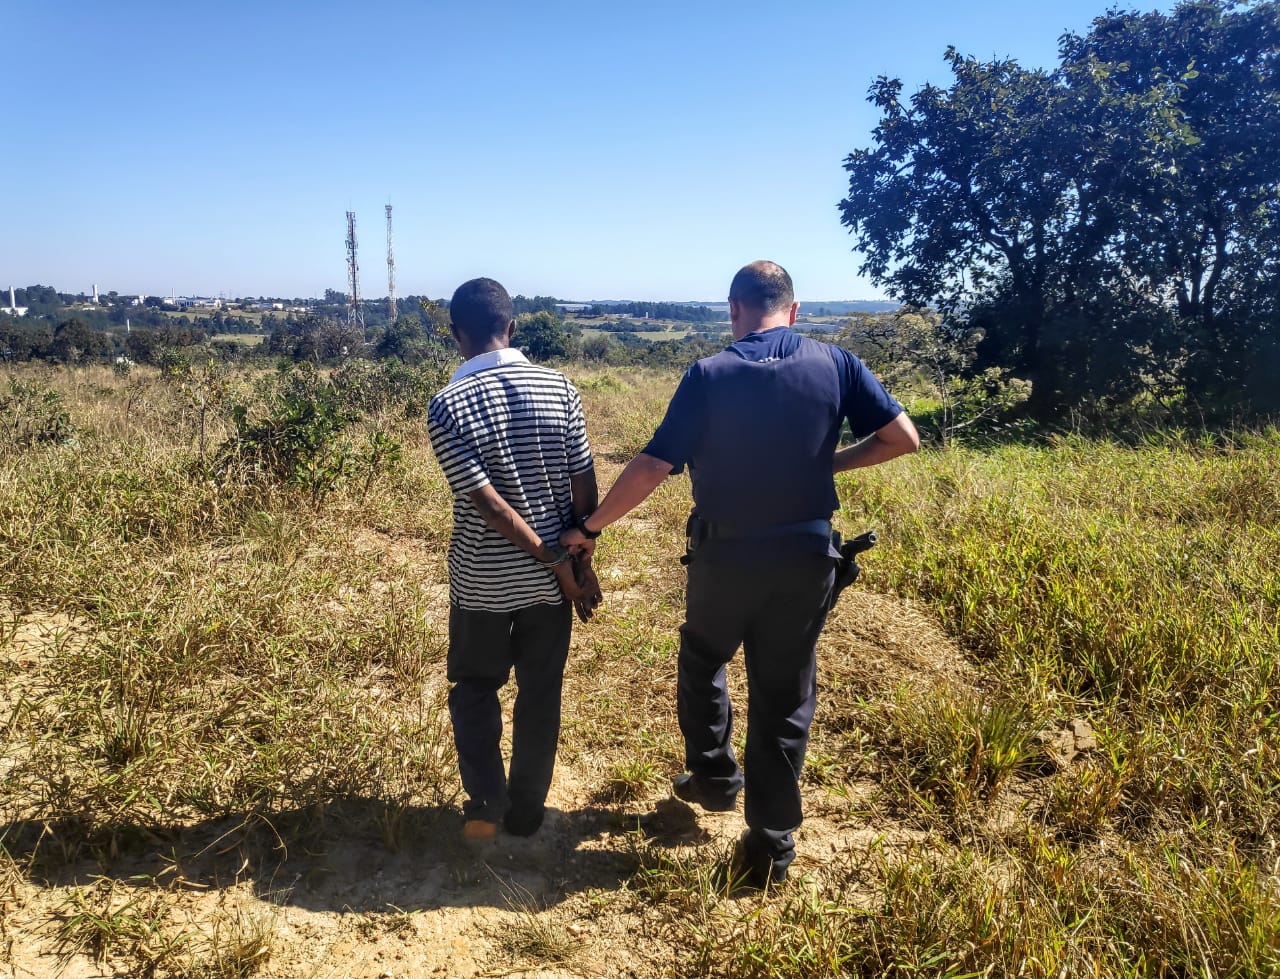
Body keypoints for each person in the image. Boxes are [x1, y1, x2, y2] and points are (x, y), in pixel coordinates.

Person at [561, 260, 918, 885]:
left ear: (733, 310)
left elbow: (653, 465)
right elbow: (903, 438)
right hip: (806, 558)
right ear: (794, 310)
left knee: (704, 657)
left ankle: (715, 777)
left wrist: (590, 528)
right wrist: (822, 464)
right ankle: (770, 847)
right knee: (784, 696)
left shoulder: (709, 373)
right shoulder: (838, 364)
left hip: (725, 557)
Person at [427, 277, 602, 842]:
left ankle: (484, 805)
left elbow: (490, 507)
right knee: (540, 690)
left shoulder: (447, 406)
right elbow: (583, 486)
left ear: (456, 334)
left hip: (481, 582)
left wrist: (559, 562)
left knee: (476, 687)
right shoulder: (560, 389)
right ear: (513, 326)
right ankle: (527, 813)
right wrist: (574, 564)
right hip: (553, 588)